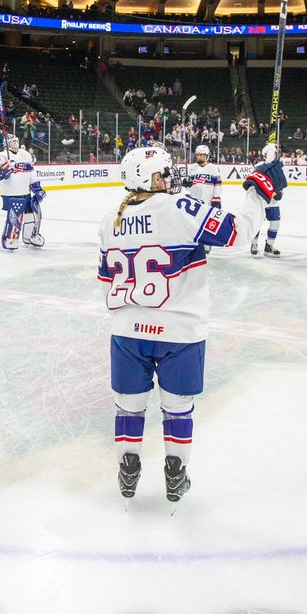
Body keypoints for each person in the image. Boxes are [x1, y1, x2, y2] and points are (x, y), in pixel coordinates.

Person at [98, 146, 285, 507]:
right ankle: (175, 476)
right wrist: (258, 190)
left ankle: (127, 472)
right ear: (150, 178)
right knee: (178, 407)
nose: (170, 178)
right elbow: (238, 232)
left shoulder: (111, 220)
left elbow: (105, 279)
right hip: (180, 332)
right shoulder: (179, 207)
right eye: (163, 173)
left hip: (126, 331)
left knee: (128, 407)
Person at [0, 135, 43, 250]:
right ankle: (10, 238)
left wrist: (37, 189)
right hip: (11, 192)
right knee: (15, 213)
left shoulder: (25, 154)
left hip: (25, 191)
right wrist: (8, 166)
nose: (15, 143)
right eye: (12, 142)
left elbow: (31, 172)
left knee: (33, 212)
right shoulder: (2, 156)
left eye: (16, 141)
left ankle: (31, 236)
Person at [251, 143, 284, 257]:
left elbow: (280, 182)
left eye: (275, 153)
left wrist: (279, 192)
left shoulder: (277, 166)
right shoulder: (259, 166)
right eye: (273, 153)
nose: (275, 155)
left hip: (273, 201)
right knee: (257, 223)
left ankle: (269, 245)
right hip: (261, 201)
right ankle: (254, 244)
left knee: (275, 223)